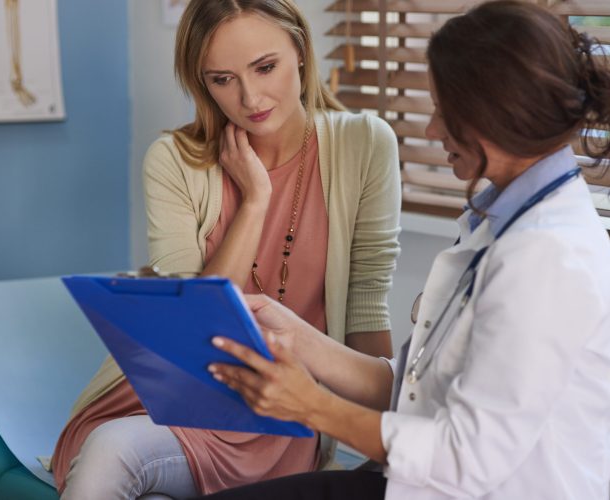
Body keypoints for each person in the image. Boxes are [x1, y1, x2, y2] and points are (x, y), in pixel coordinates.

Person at [203, 1, 610, 499]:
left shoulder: (548, 257)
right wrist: (297, 339)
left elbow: (466, 458)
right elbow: (413, 390)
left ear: (498, 113)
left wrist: (310, 406)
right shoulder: (502, 219)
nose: (432, 131)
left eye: (444, 112)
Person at [51, 0, 401, 498]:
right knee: (112, 448)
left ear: (300, 51)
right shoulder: (173, 161)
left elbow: (367, 300)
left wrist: (378, 440)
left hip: (282, 416)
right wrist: (255, 200)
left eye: (265, 67)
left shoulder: (365, 144)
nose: (250, 97)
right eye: (222, 79)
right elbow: (191, 324)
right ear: (202, 84)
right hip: (170, 402)